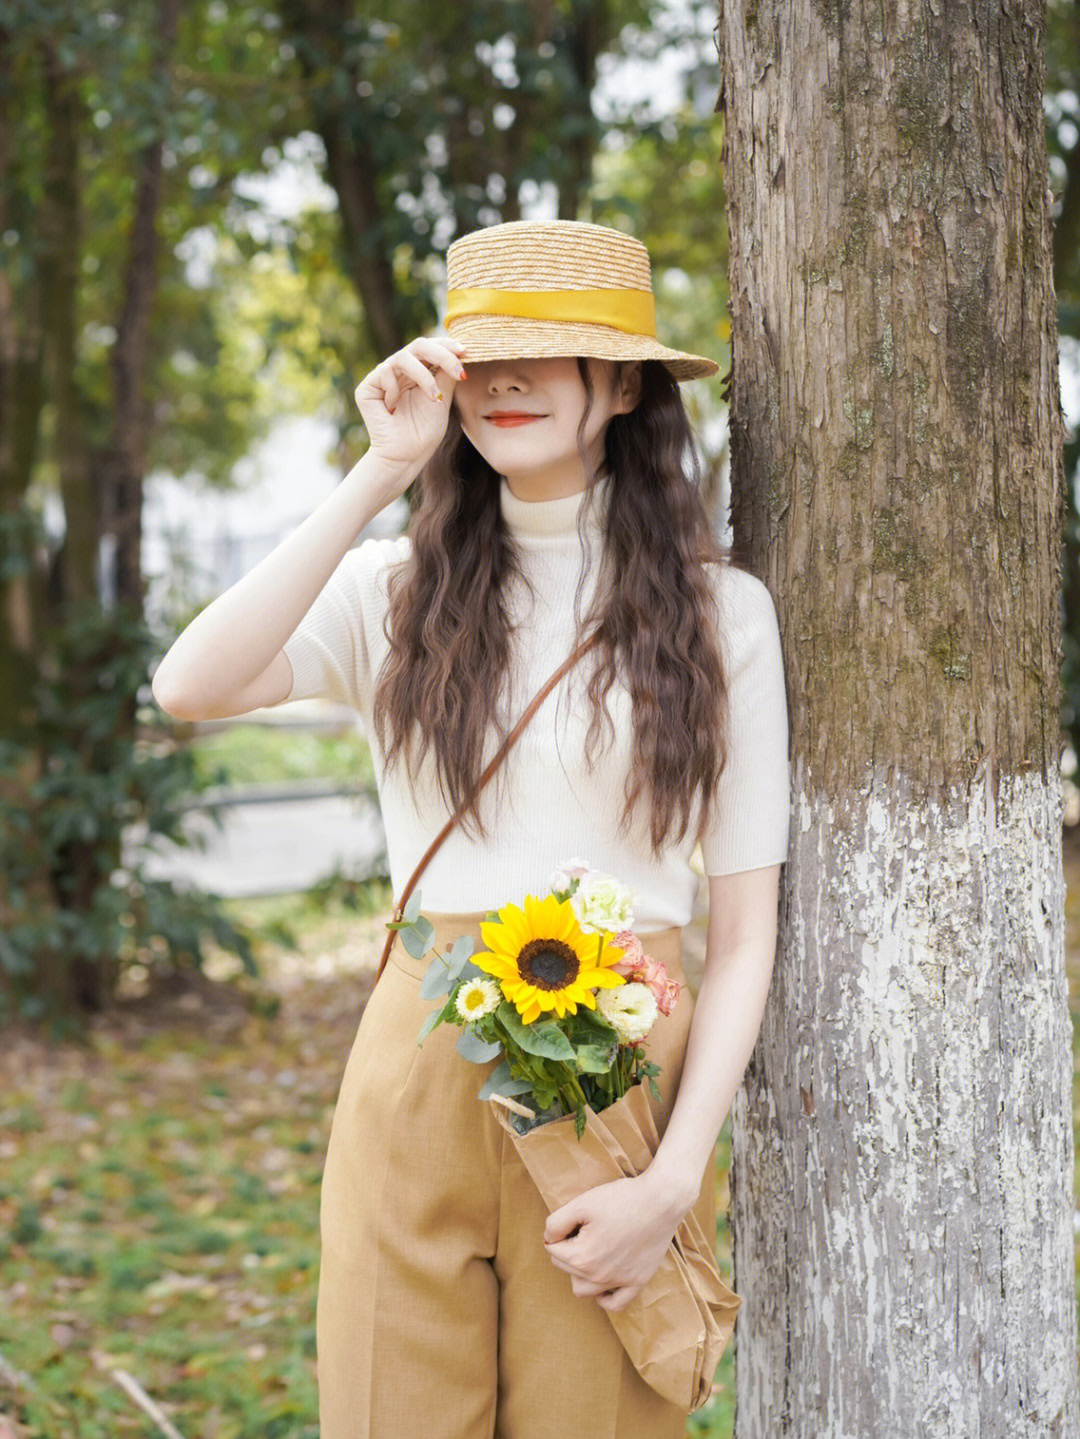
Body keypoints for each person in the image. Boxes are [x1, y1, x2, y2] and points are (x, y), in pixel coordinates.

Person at [151, 218, 790, 1439]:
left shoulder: (725, 617)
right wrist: (379, 469)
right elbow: (191, 683)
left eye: (544, 353)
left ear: (621, 385)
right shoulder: (394, 590)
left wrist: (671, 1182)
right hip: (422, 1049)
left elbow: (746, 931)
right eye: (480, 351)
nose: (503, 379)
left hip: (615, 1070)